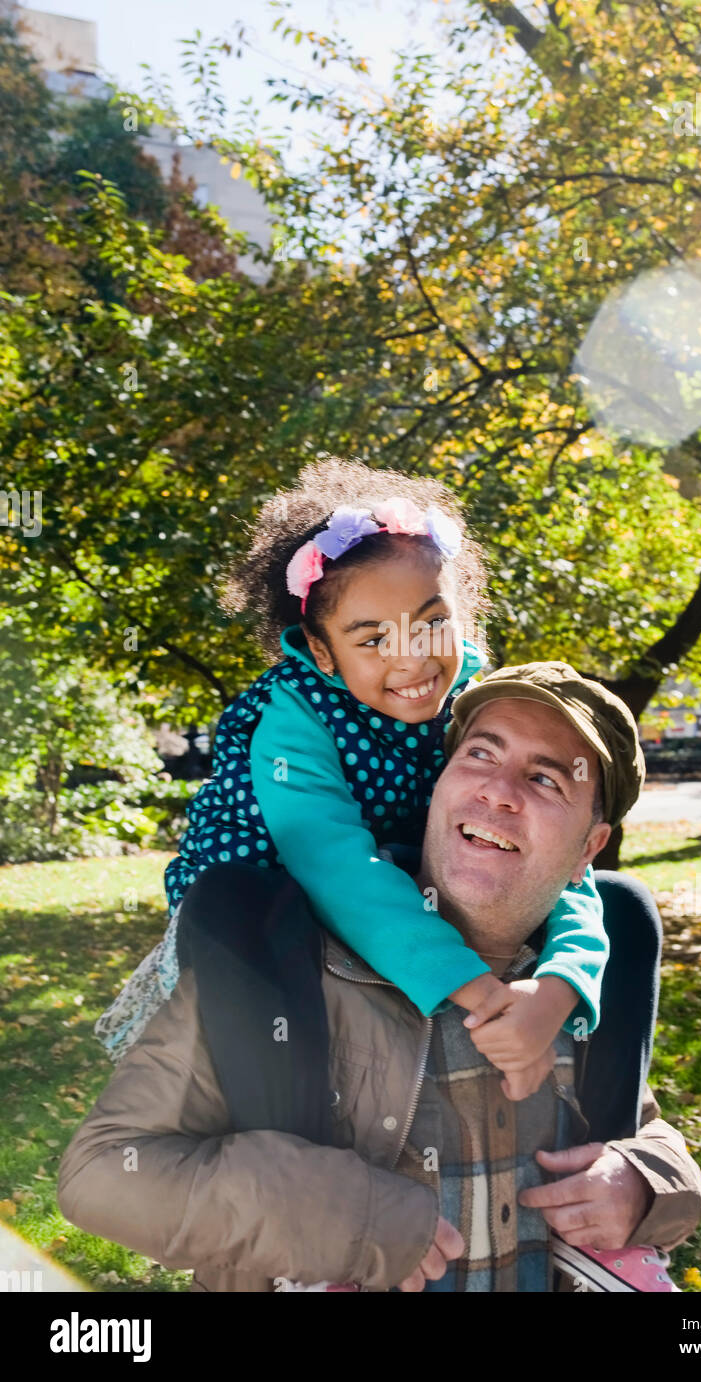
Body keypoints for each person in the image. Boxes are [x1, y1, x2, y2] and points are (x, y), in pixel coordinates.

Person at [59, 663, 701, 1293]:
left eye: (544, 779)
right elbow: (102, 1174)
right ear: (440, 783)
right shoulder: (279, 969)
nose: (499, 791)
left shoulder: (577, 992)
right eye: (481, 755)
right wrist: (321, 1212)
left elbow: (646, 1132)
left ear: (590, 849)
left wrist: (645, 1184)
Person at [94, 459, 610, 1104]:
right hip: (266, 911)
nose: (413, 657)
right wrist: (480, 992)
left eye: (432, 621)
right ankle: (289, 1134)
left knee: (622, 907)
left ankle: (593, 1129)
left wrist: (560, 989)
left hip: (393, 883)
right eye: (371, 639)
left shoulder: (477, 700)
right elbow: (335, 866)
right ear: (320, 649)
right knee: (262, 958)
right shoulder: (296, 716)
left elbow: (571, 862)